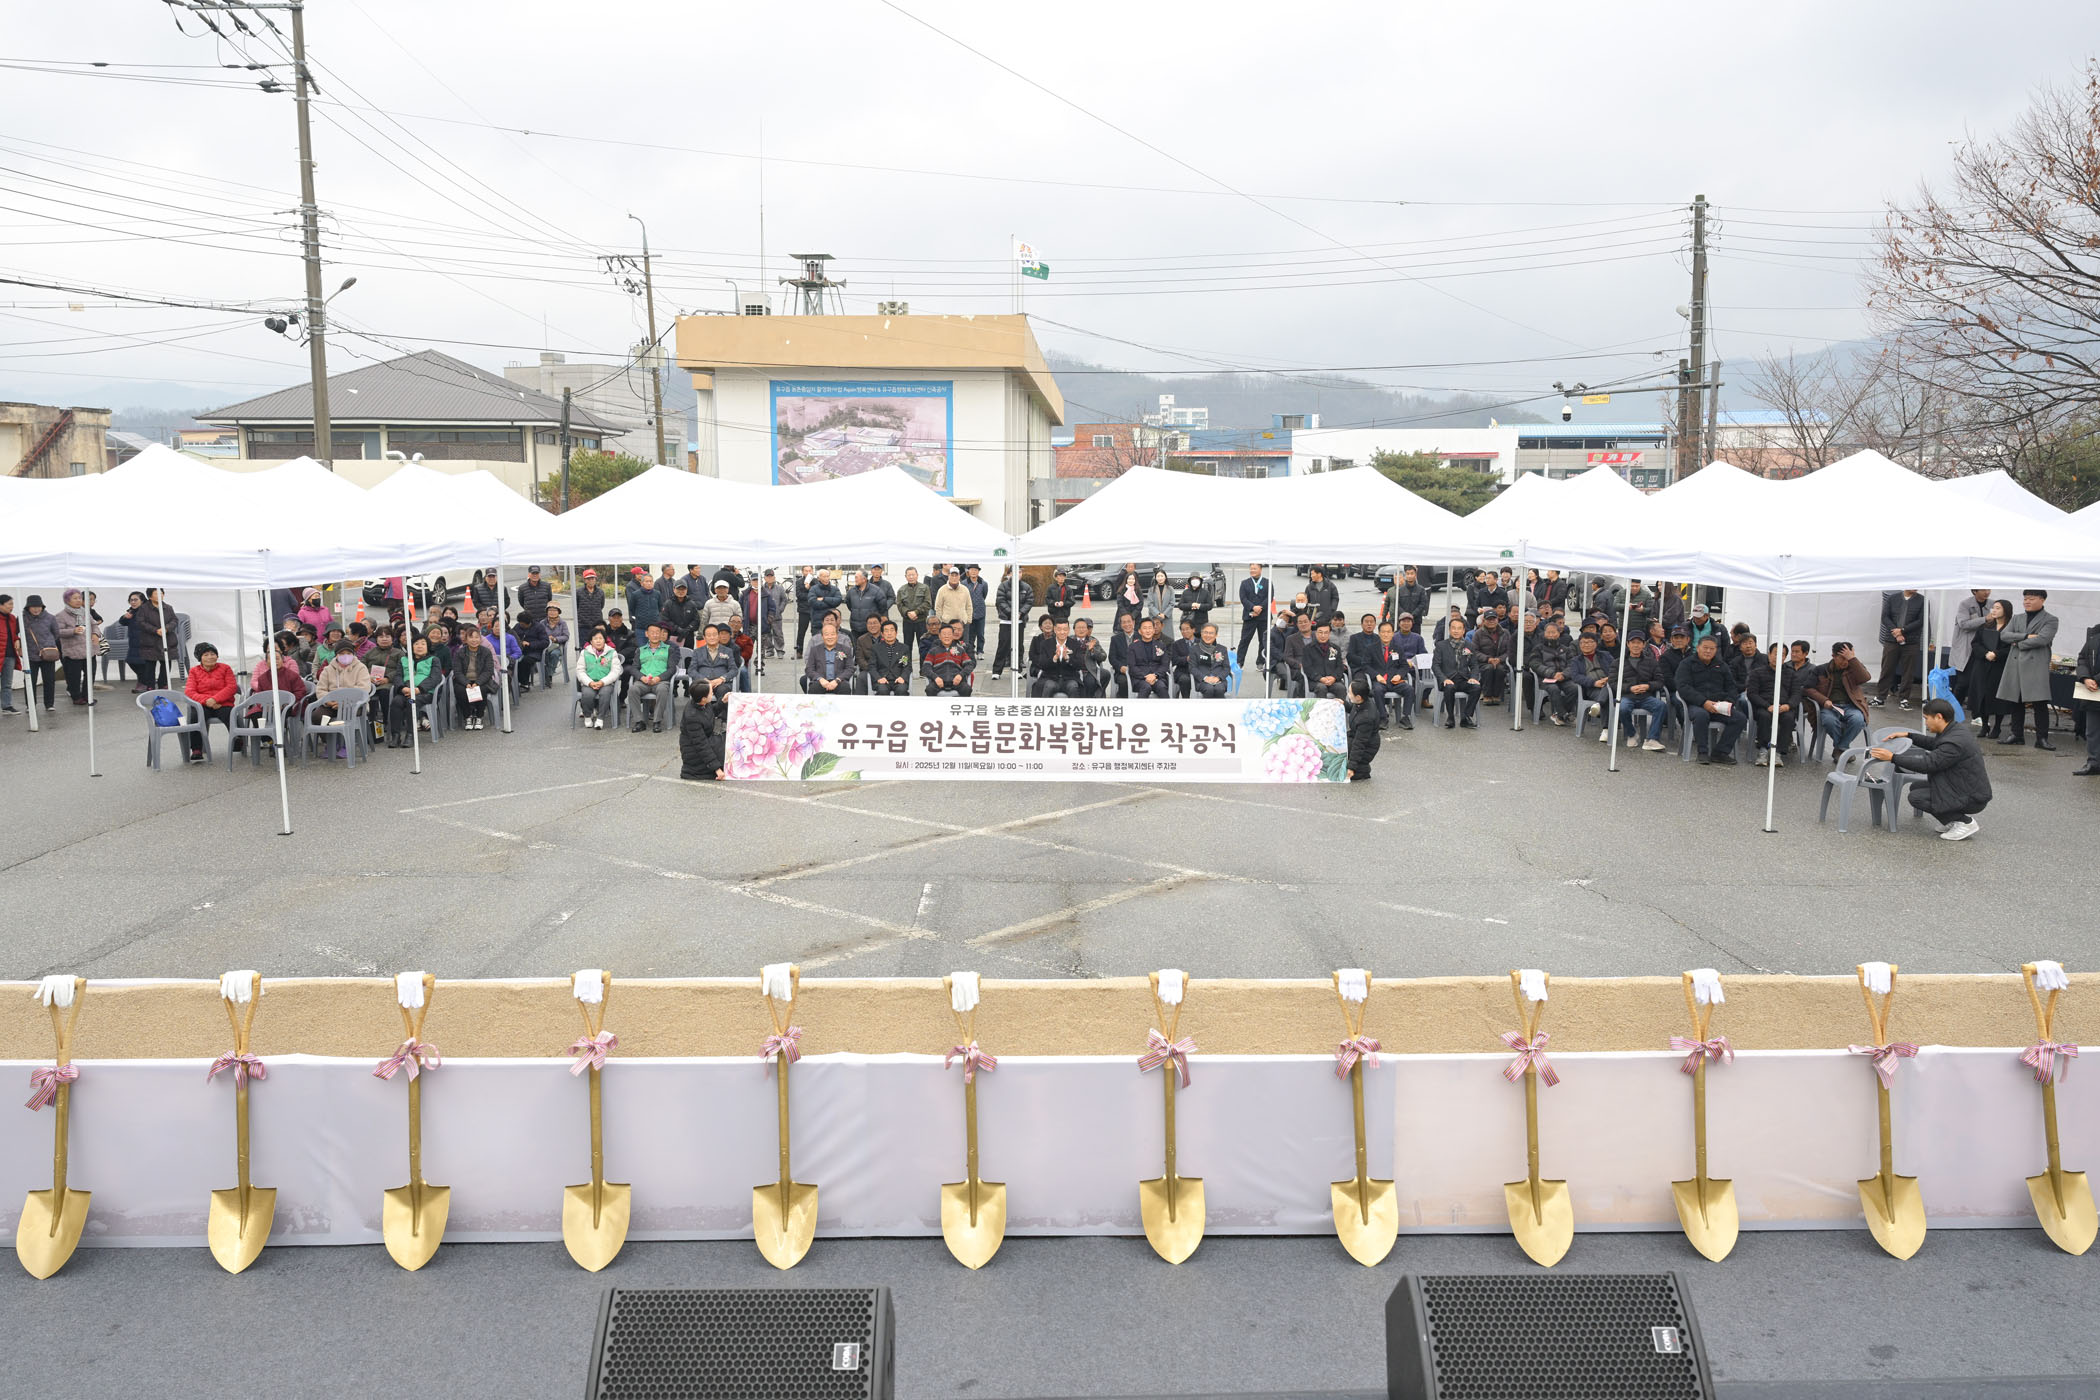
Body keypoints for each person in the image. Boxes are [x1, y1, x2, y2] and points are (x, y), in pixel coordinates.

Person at [1870, 698, 1991, 840]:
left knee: (1916, 798)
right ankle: (1952, 820)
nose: (1925, 723)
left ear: (1939, 717)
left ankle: (1964, 822)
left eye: (1926, 718)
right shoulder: (1954, 730)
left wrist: (1892, 757)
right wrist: (1909, 735)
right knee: (1916, 786)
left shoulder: (1953, 743)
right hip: (1962, 786)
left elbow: (1927, 764)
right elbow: (1934, 743)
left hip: (1972, 797)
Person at [1997, 589, 2059, 749]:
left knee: (2040, 702)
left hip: (2036, 665)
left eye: (2031, 599)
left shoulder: (2051, 619)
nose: (2027, 602)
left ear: (2042, 600)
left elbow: (2042, 639)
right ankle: (2016, 734)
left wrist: (2017, 643)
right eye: (2025, 599)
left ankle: (2042, 738)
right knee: (2015, 701)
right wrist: (2025, 636)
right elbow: (2004, 635)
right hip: (2015, 663)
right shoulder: (2017, 618)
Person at [1676, 634, 1746, 765]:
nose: (1708, 651)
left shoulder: (1722, 665)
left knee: (1740, 718)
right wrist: (1704, 702)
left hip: (1719, 705)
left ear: (1716, 650)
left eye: (1712, 648)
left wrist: (1728, 702)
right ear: (1698, 648)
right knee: (1701, 715)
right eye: (1705, 647)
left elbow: (1732, 687)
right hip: (1696, 705)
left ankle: (1720, 752)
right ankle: (1702, 752)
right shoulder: (1687, 664)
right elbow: (1683, 688)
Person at [179, 643, 237, 761]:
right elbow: (189, 691)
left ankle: (237, 739)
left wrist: (215, 699)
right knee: (196, 715)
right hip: (203, 704)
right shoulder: (194, 671)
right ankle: (196, 749)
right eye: (206, 655)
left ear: (217, 656)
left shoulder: (225, 668)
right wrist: (207, 701)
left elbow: (231, 687)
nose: (210, 657)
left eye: (213, 654)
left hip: (222, 703)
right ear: (200, 658)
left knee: (229, 713)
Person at [1746, 642, 1802, 767]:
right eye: (1775, 654)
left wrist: (1788, 705)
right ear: (1769, 654)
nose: (1778, 657)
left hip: (1784, 707)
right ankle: (1763, 750)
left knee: (1788, 718)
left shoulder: (1792, 674)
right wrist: (1767, 705)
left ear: (1785, 657)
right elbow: (1752, 693)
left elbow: (1797, 693)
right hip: (1765, 706)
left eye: (1782, 654)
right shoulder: (1757, 672)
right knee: (1764, 716)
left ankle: (1778, 752)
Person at [1964, 598, 2012, 738]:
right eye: (1993, 608)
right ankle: (1985, 725)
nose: (1994, 610)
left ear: (2006, 610)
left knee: (1998, 697)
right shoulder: (1985, 626)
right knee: (1982, 695)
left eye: (1998, 608)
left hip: (1999, 667)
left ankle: (1997, 726)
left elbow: (2011, 648)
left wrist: (1996, 654)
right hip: (1982, 665)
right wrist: (1985, 653)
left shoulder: (2010, 628)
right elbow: (1975, 643)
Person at [1617, 632, 1669, 751]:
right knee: (1622, 708)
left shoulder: (1652, 662)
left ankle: (1652, 739)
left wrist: (1648, 686)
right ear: (1628, 644)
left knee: (1661, 706)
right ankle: (1631, 734)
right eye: (1633, 642)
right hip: (1627, 696)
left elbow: (1660, 681)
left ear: (1644, 644)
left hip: (1646, 696)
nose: (1636, 645)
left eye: (1639, 643)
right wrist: (1629, 688)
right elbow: (1613, 683)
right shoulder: (1619, 662)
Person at [1874, 589, 1925, 708]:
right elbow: (1885, 617)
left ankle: (1904, 698)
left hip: (1911, 641)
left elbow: (1921, 620)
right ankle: (1880, 697)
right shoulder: (1892, 598)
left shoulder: (1922, 600)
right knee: (1887, 668)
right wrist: (1896, 632)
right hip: (1891, 640)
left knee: (1908, 671)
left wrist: (1902, 630)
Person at [389, 635, 443, 742]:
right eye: (416, 644)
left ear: (428, 646)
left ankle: (410, 735)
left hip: (424, 693)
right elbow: (398, 676)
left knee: (411, 702)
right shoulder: (404, 660)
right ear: (411, 647)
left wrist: (419, 689)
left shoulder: (433, 660)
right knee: (396, 702)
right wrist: (402, 688)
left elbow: (435, 678)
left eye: (423, 644)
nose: (420, 646)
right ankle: (395, 735)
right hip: (406, 691)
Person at [1433, 617, 1481, 729]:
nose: (1456, 631)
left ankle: (1466, 717)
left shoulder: (1469, 646)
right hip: (1448, 679)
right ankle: (1450, 717)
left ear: (1463, 631)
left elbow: (1474, 665)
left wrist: (1473, 677)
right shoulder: (1441, 646)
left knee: (1476, 688)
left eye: (1459, 628)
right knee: (1449, 688)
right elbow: (1435, 666)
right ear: (1449, 630)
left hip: (1464, 679)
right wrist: (1444, 679)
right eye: (1453, 628)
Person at [1529, 621, 1578, 726]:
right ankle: (1564, 714)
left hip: (1563, 678)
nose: (1551, 635)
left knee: (1574, 688)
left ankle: (1559, 714)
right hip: (1546, 678)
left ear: (1559, 633)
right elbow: (1535, 664)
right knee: (1554, 689)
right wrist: (1552, 674)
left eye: (1553, 632)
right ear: (1544, 634)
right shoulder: (1538, 648)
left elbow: (1572, 664)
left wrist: (1563, 674)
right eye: (1548, 632)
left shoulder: (1566, 649)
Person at [630, 622, 676, 732]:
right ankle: (639, 721)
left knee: (662, 690)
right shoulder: (640, 650)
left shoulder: (669, 649)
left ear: (661, 634)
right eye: (652, 632)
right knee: (633, 689)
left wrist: (658, 678)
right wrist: (642, 677)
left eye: (657, 632)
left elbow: (672, 669)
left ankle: (657, 721)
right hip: (643, 681)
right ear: (647, 634)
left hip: (661, 681)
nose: (655, 635)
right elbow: (634, 668)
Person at [312, 642, 373, 725]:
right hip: (332, 704)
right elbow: (320, 689)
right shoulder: (327, 670)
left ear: (353, 654)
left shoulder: (361, 668)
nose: (345, 656)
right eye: (342, 653)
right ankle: (330, 734)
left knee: (346, 716)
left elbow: (363, 689)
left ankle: (345, 733)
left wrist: (343, 703)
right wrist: (328, 701)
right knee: (317, 716)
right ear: (336, 655)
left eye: (349, 653)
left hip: (354, 704)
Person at [991, 566, 1034, 678]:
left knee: (1018, 646)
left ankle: (1017, 670)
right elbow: (1001, 601)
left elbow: (1029, 601)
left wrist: (1020, 612)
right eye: (1015, 572)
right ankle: (996, 671)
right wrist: (1011, 613)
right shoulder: (1003, 586)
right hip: (1006, 621)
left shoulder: (1026, 587)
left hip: (1019, 621)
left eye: (1020, 572)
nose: (1018, 574)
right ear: (1010, 574)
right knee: (1003, 646)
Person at [453, 621, 497, 730]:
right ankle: (468, 716)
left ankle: (479, 716)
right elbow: (457, 671)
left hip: (481, 680)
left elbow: (488, 670)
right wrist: (466, 683)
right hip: (464, 680)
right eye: (471, 637)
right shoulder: (460, 652)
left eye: (477, 637)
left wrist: (477, 682)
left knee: (481, 689)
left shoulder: (486, 652)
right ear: (466, 639)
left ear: (480, 639)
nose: (474, 640)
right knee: (460, 690)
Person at [678, 684, 727, 780]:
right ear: (704, 698)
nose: (713, 693)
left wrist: (722, 702)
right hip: (694, 751)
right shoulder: (692, 717)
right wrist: (716, 768)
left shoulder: (700, 703)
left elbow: (711, 712)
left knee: (728, 739)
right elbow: (701, 745)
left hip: (706, 740)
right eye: (711, 692)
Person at [1572, 632, 1615, 736]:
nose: (1586, 645)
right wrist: (1594, 683)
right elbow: (1576, 676)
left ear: (1596, 643)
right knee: (1608, 698)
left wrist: (1608, 678)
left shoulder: (1605, 655)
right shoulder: (1576, 660)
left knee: (1608, 691)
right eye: (1583, 642)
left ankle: (1599, 705)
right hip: (1592, 688)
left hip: (1610, 685)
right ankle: (1606, 729)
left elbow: (1616, 668)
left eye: (1590, 642)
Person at [803, 614, 856, 696]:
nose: (830, 637)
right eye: (827, 634)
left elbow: (850, 668)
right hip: (821, 681)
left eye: (832, 634)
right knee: (814, 689)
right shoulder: (815, 650)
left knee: (845, 688)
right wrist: (820, 679)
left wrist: (837, 680)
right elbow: (809, 669)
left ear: (837, 636)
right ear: (822, 636)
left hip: (839, 681)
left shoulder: (845, 649)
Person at [1033, 619, 1086, 698]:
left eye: (1065, 629)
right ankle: (1044, 706)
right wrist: (1054, 658)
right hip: (1050, 678)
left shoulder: (1075, 644)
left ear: (1068, 630)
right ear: (1055, 629)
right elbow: (1041, 664)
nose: (1062, 632)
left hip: (1069, 678)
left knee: (1073, 686)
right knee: (1049, 686)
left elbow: (1080, 664)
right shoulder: (1045, 644)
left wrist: (1068, 658)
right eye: (1059, 629)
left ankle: (1074, 706)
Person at [2074, 621, 2100, 775]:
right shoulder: (2094, 636)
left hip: (2095, 684)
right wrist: (2085, 678)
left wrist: (2096, 679)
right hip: (2093, 691)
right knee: (2092, 730)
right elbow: (2082, 658)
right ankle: (2093, 763)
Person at [923, 621, 974, 697]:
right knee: (929, 689)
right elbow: (926, 667)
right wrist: (935, 677)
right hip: (938, 680)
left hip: (957, 681)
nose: (946, 636)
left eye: (949, 634)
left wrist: (960, 675)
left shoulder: (960, 650)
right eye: (944, 634)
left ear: (953, 636)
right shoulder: (933, 651)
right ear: (939, 636)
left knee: (967, 689)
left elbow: (969, 665)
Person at [1344, 676, 1381, 781]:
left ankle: (1362, 769)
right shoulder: (1362, 702)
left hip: (1367, 746)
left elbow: (1359, 744)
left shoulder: (1367, 718)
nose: (1348, 694)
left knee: (1345, 772)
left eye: (1349, 692)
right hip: (1357, 736)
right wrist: (1344, 704)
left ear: (1358, 697)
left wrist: (1351, 767)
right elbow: (1353, 710)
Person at [895, 566, 934, 664]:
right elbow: (899, 605)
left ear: (917, 575)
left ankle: (924, 668)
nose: (911, 577)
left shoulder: (924, 588)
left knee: (923, 645)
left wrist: (916, 612)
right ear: (906, 576)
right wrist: (908, 613)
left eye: (913, 575)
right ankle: (906, 668)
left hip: (921, 621)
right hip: (907, 622)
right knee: (906, 647)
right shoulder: (901, 590)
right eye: (909, 575)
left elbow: (928, 603)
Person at [1127, 616, 1172, 699]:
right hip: (1140, 679)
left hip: (1157, 678)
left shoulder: (1161, 645)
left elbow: (1165, 665)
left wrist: (1155, 675)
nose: (1148, 631)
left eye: (1150, 628)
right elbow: (1132, 667)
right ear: (1140, 631)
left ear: (1154, 630)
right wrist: (1145, 676)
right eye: (1145, 628)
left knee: (1161, 687)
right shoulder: (1133, 647)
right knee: (1146, 687)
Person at [1237, 564, 1271, 669]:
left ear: (1260, 569)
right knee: (1244, 640)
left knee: (1263, 640)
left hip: (1264, 617)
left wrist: (1260, 608)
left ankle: (1261, 662)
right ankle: (1239, 662)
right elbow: (1243, 598)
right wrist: (1253, 607)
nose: (1252, 570)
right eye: (1251, 568)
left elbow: (1269, 597)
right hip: (1249, 616)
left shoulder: (1267, 582)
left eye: (1255, 568)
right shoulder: (1244, 583)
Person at [1301, 621, 1347, 700]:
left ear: (1329, 634)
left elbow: (1340, 667)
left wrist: (1333, 677)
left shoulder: (1335, 648)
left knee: (1341, 688)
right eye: (1320, 632)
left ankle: (1341, 707)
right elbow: (1307, 668)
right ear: (1316, 633)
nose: (1323, 635)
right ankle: (1322, 708)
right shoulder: (1308, 649)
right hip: (1315, 681)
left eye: (1326, 633)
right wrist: (1320, 678)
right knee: (1321, 688)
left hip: (1333, 681)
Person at [1186, 622, 1231, 699]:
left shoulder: (1222, 649)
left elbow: (1226, 667)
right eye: (1205, 632)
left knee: (1219, 689)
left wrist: (1218, 678)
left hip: (1219, 680)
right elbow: (1192, 668)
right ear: (1201, 634)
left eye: (1211, 633)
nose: (1208, 635)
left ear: (1216, 635)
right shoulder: (1194, 649)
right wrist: (1205, 678)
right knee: (1209, 688)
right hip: (1202, 681)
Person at [1472, 612, 1510, 703]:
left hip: (1501, 662)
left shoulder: (1505, 633)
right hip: (1483, 662)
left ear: (1497, 620)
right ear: (1484, 621)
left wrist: (1500, 659)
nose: (1491, 621)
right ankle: (1487, 695)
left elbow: (1510, 650)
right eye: (1489, 619)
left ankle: (1496, 695)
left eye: (1494, 619)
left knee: (1500, 669)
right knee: (1488, 668)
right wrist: (1487, 659)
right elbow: (1474, 651)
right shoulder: (1478, 634)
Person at [868, 619, 912, 696]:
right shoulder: (876, 648)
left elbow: (907, 666)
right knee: (882, 690)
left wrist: (902, 677)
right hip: (882, 680)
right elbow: (872, 667)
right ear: (882, 634)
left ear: (896, 632)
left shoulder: (904, 648)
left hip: (898, 679)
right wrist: (879, 678)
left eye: (892, 630)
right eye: (886, 631)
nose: (889, 633)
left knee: (901, 690)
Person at [933, 566, 973, 645]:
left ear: (959, 576)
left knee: (964, 646)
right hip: (947, 624)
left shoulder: (965, 589)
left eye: (956, 575)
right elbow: (938, 607)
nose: (954, 577)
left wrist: (968, 620)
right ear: (948, 576)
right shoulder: (942, 590)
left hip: (962, 624)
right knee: (947, 646)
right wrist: (941, 621)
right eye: (952, 575)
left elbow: (969, 606)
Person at [1070, 617, 1107, 696]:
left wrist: (1092, 650)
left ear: (1087, 630)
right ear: (1074, 629)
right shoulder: (1069, 640)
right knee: (1073, 685)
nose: (1081, 630)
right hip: (1073, 671)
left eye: (1083, 628)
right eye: (1079, 628)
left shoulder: (1093, 641)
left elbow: (1103, 656)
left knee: (1091, 682)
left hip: (1088, 670)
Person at [962, 563, 990, 655]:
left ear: (978, 572)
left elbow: (984, 595)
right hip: (969, 612)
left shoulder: (983, 583)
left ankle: (980, 651)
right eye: (971, 570)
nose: (973, 572)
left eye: (975, 570)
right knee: (970, 634)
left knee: (980, 634)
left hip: (980, 612)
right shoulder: (964, 583)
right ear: (968, 571)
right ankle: (970, 650)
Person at [625, 566, 662, 633]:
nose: (642, 575)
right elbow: (631, 605)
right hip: (638, 621)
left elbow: (660, 607)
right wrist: (637, 616)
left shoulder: (656, 593)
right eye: (640, 574)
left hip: (653, 622)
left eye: (650, 581)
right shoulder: (630, 586)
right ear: (636, 575)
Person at [574, 569, 607, 641]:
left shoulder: (600, 592)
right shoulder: (578, 592)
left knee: (597, 644)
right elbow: (576, 606)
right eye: (588, 579)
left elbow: (601, 605)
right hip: (583, 625)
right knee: (583, 645)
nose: (591, 581)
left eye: (592, 578)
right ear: (585, 580)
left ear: (595, 579)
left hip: (597, 625)